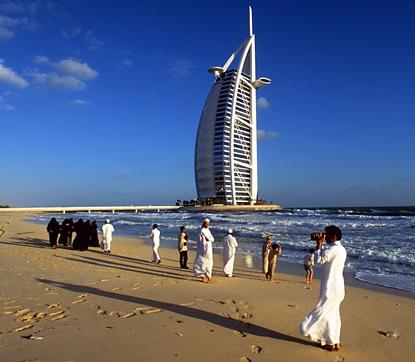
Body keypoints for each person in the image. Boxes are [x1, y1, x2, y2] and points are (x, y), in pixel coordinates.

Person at [300, 226, 347, 352]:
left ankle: (309, 330)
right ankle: (335, 341)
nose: (325, 236)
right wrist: (320, 244)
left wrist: (318, 244)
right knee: (334, 315)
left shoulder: (332, 249)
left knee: (322, 312)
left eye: (327, 234)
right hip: (339, 286)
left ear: (333, 237)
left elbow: (319, 260)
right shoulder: (342, 249)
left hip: (330, 287)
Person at [193, 218, 214, 283]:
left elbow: (212, 239)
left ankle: (208, 277)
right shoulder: (202, 231)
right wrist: (209, 239)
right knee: (201, 262)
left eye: (207, 223)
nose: (207, 224)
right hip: (203, 249)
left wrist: (210, 239)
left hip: (208, 249)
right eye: (206, 223)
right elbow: (208, 239)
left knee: (209, 263)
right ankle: (203, 276)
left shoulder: (207, 230)